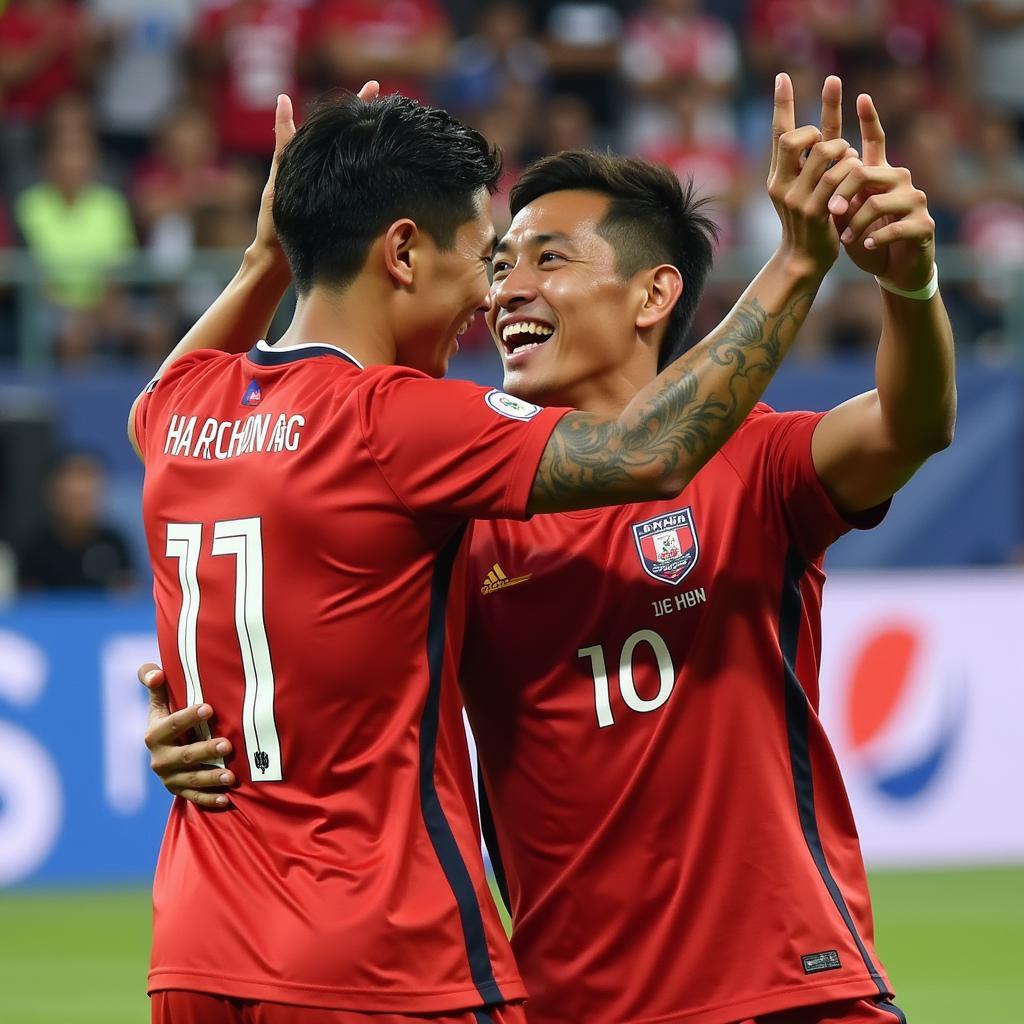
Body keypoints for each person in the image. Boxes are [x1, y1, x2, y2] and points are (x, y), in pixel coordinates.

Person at [130, 74, 861, 1024]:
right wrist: (800, 262)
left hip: (194, 948)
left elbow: (164, 406)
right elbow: (645, 452)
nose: (491, 295)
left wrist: (273, 254)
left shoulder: (179, 410)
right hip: (384, 955)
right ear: (402, 252)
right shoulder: (394, 421)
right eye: (481, 258)